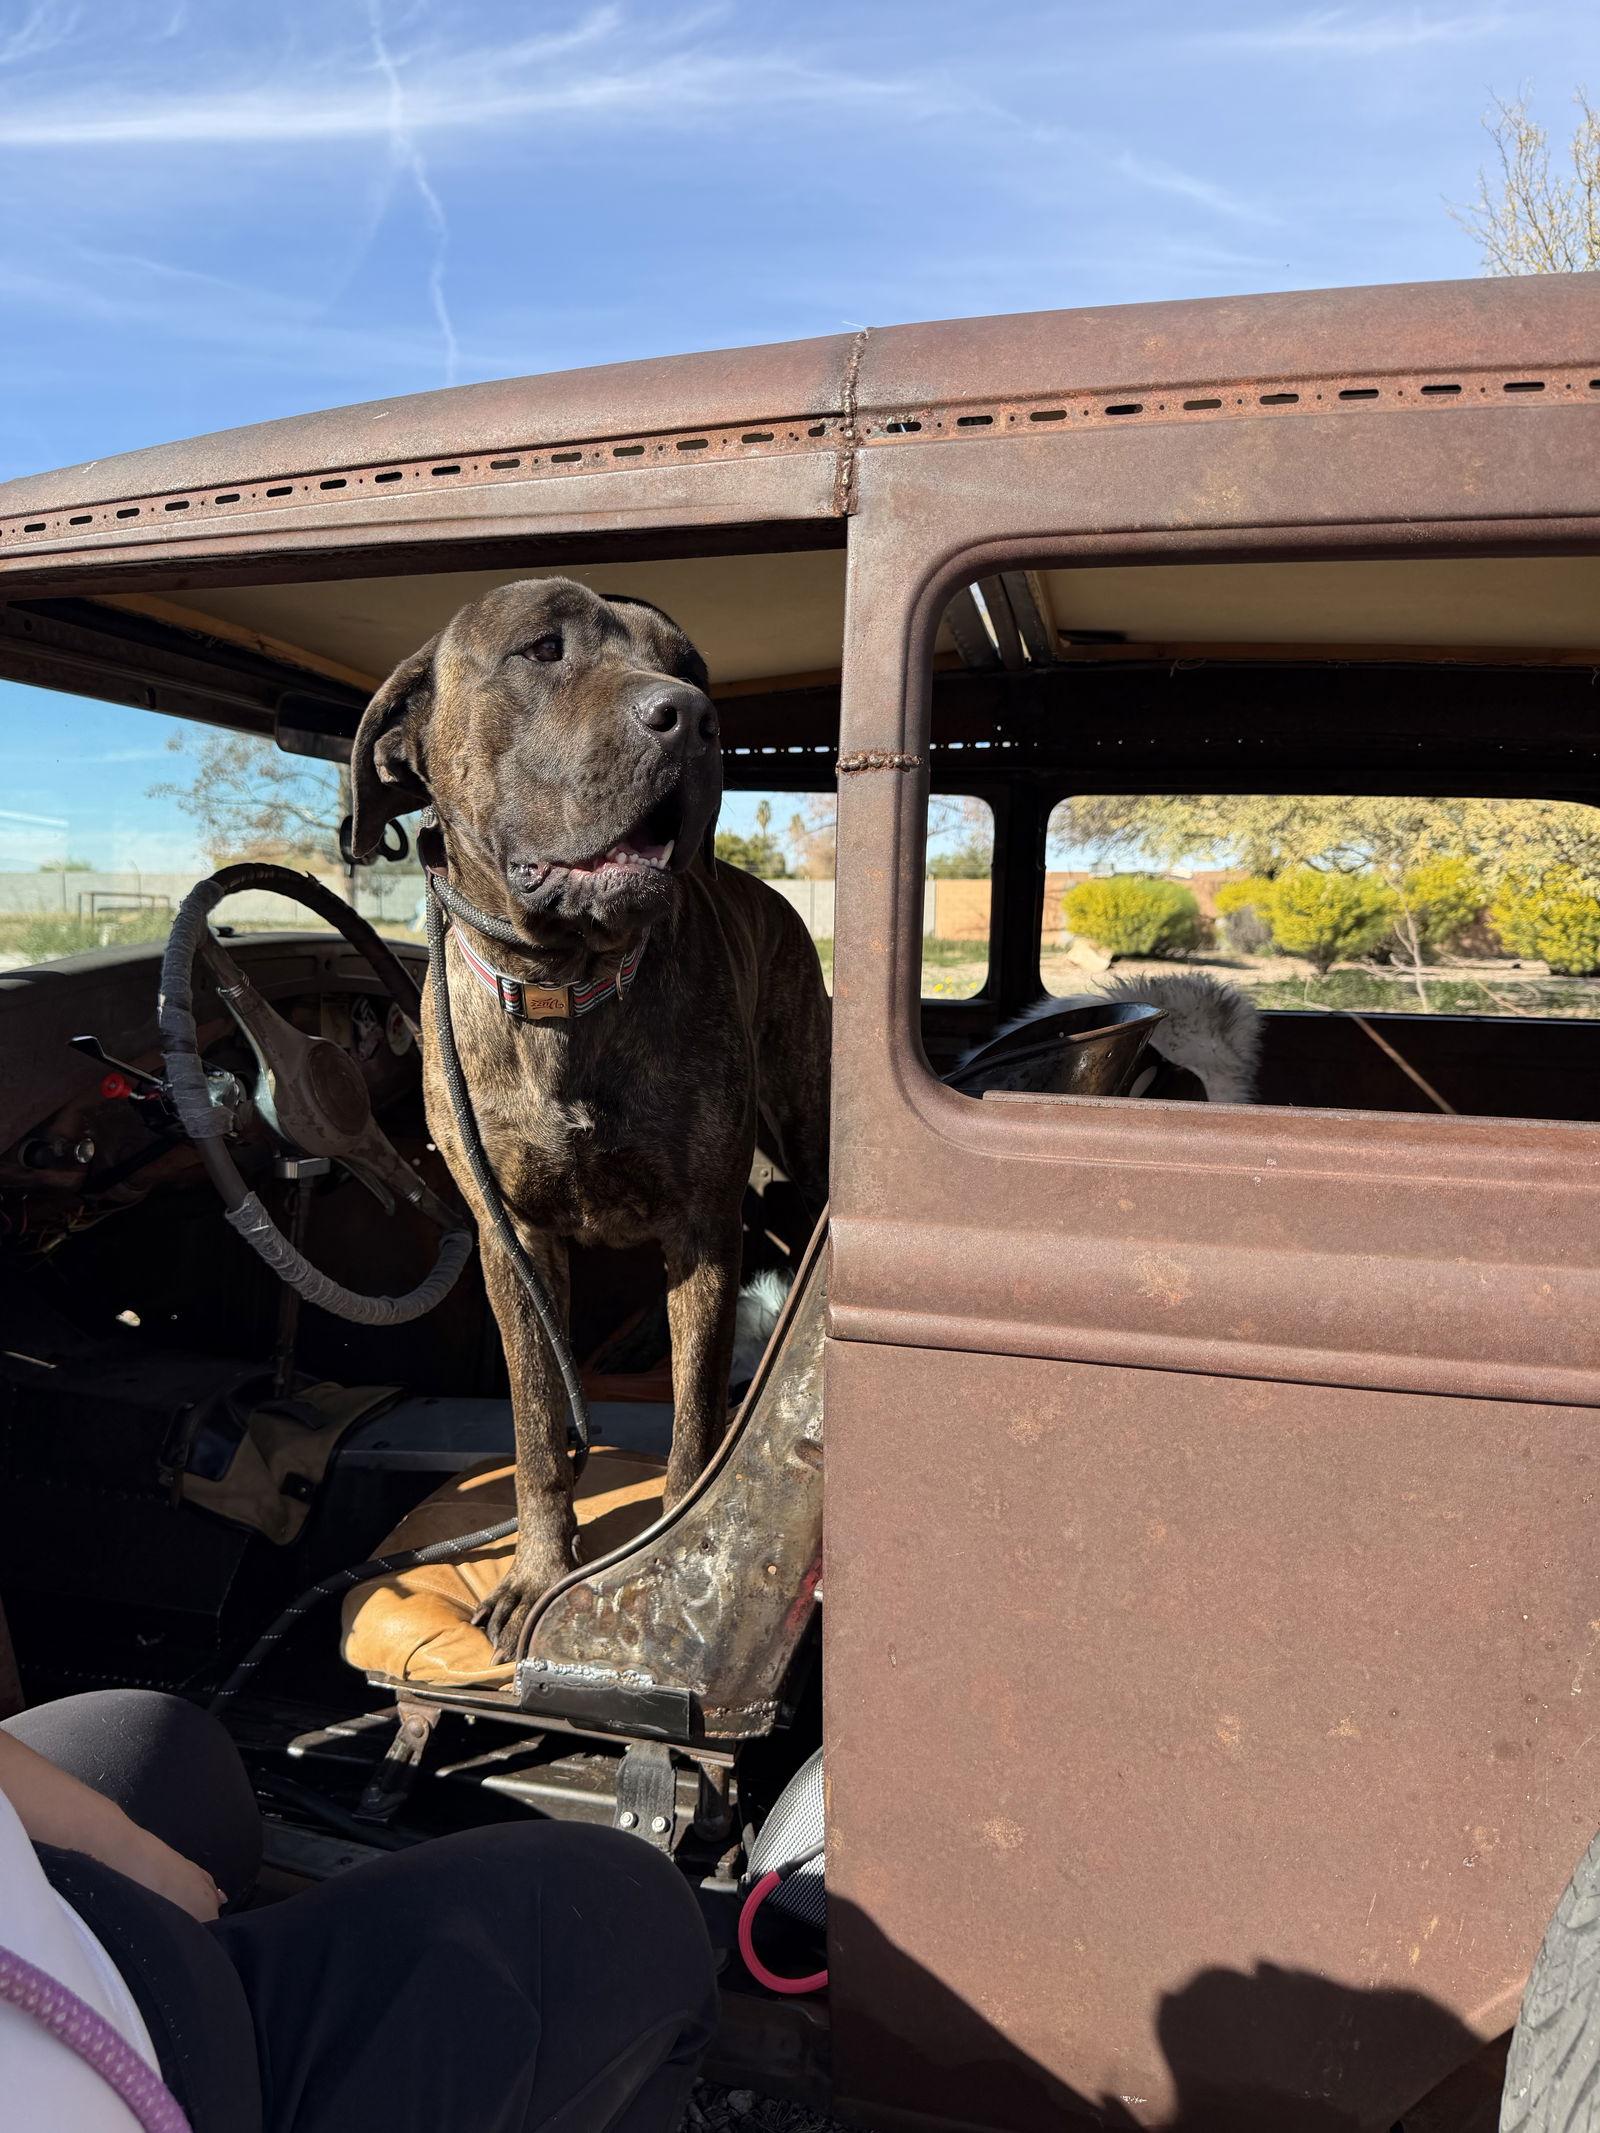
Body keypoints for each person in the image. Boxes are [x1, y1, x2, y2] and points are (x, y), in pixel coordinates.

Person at [0, 1689, 718, 2133]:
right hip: (143, 2082)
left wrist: (121, 1846)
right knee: (628, 1916)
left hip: (78, 1943)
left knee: (170, 1754)